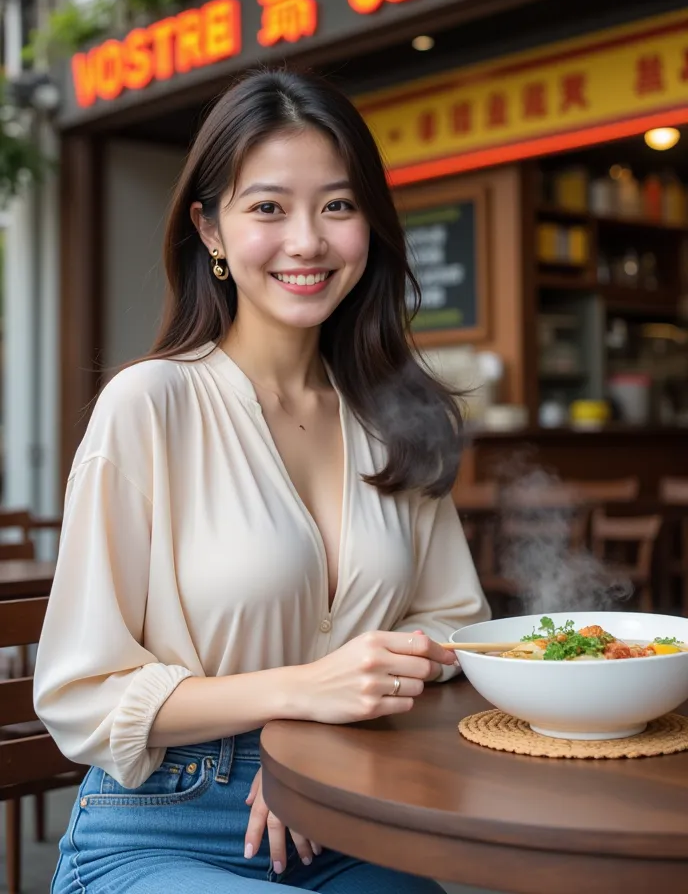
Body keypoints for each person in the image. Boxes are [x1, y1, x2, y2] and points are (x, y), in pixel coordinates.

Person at [34, 69, 490, 894]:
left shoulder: (394, 418)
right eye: (269, 207)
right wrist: (301, 698)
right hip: (167, 821)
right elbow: (80, 692)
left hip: (354, 805)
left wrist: (325, 740)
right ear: (210, 227)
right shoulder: (150, 404)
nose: (308, 241)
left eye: (338, 206)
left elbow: (457, 627)